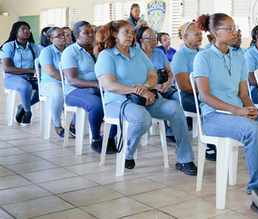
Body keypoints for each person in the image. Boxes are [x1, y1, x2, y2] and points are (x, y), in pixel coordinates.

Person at [193, 13, 258, 218]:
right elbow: (205, 96)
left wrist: (249, 108)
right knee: (254, 130)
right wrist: (237, 111)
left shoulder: (238, 56)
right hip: (214, 116)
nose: (234, 31)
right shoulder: (203, 57)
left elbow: (244, 94)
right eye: (229, 28)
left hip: (239, 112)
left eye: (234, 27)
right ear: (214, 32)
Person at [95, 20, 197, 174]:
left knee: (175, 108)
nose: (131, 36)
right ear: (115, 34)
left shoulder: (137, 52)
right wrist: (137, 90)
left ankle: (185, 159)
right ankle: (127, 153)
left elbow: (152, 74)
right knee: (142, 118)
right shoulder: (106, 55)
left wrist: (146, 87)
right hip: (118, 101)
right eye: (126, 32)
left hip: (146, 97)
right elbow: (109, 84)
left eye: (132, 32)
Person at [61, 21, 117, 153]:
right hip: (75, 91)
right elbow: (72, 80)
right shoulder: (70, 52)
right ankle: (96, 139)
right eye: (86, 32)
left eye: (92, 31)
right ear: (76, 35)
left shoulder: (100, 50)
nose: (91, 34)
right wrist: (96, 84)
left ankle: (109, 137)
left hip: (99, 88)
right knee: (96, 104)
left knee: (118, 101)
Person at [171, 21, 216, 161]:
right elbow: (184, 85)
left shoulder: (204, 52)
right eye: (196, 34)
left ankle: (220, 137)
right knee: (211, 105)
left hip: (204, 93)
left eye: (200, 34)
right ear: (185, 37)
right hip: (188, 96)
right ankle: (210, 144)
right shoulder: (180, 56)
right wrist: (206, 91)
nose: (200, 36)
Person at [0, 21, 41, 125]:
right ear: (15, 31)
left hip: (31, 78)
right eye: (23, 29)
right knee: (25, 86)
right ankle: (27, 112)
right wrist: (31, 70)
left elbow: (42, 60)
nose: (27, 31)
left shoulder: (34, 47)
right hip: (12, 78)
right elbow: (7, 68)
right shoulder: (8, 46)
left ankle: (23, 106)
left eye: (28, 29)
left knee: (45, 88)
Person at [38, 27, 74, 137]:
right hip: (50, 83)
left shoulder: (70, 49)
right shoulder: (46, 51)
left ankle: (73, 124)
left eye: (64, 34)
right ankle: (57, 124)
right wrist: (69, 80)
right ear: (50, 39)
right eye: (59, 35)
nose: (63, 37)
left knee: (81, 93)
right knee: (58, 93)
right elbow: (51, 72)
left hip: (68, 81)